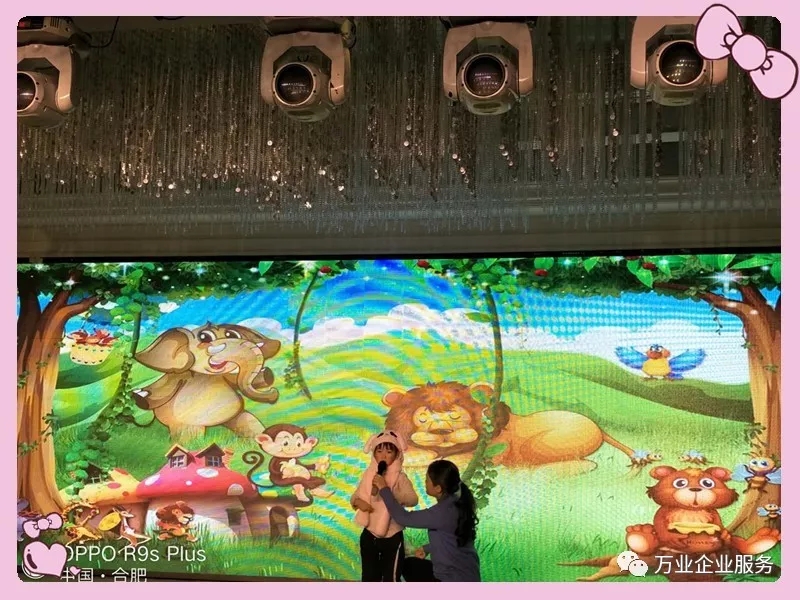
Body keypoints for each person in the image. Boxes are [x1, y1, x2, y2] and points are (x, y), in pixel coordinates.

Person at [374, 459, 481, 582]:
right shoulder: (456, 503)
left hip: (453, 580)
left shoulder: (442, 512)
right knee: (411, 565)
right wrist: (428, 548)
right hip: (469, 575)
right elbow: (452, 539)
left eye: (427, 480)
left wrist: (384, 488)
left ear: (438, 488)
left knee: (409, 567)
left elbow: (403, 517)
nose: (425, 482)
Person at [351, 430, 419, 581]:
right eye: (379, 451)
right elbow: (355, 497)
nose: (383, 456)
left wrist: (387, 491)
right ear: (373, 453)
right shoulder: (368, 474)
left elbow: (413, 499)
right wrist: (358, 502)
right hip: (369, 534)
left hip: (392, 535)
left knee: (391, 578)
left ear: (397, 454)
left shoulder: (400, 477)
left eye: (389, 452)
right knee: (369, 577)